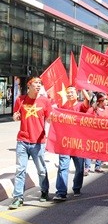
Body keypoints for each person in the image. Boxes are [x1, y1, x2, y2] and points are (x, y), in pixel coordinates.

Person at [9, 76, 52, 209]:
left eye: (40, 83)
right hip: (22, 140)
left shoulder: (45, 101)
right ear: (29, 85)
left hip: (38, 142)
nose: (38, 85)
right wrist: (15, 117)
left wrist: (52, 119)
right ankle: (18, 198)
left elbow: (49, 119)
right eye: (36, 83)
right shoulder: (20, 100)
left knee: (41, 170)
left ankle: (44, 191)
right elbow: (16, 116)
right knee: (20, 170)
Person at [53, 86, 90, 201]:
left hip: (78, 142)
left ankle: (77, 187)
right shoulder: (63, 107)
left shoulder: (80, 105)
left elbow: (87, 100)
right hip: (65, 142)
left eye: (72, 92)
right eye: (68, 93)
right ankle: (61, 192)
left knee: (79, 169)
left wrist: (83, 87)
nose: (69, 94)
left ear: (76, 93)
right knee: (63, 167)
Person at [84, 93, 108, 174]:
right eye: (105, 99)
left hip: (103, 134)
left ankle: (97, 166)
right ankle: (87, 168)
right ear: (100, 101)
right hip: (92, 133)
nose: (107, 101)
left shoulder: (107, 110)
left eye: (107, 99)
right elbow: (85, 119)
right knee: (90, 150)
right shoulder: (92, 109)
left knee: (100, 149)